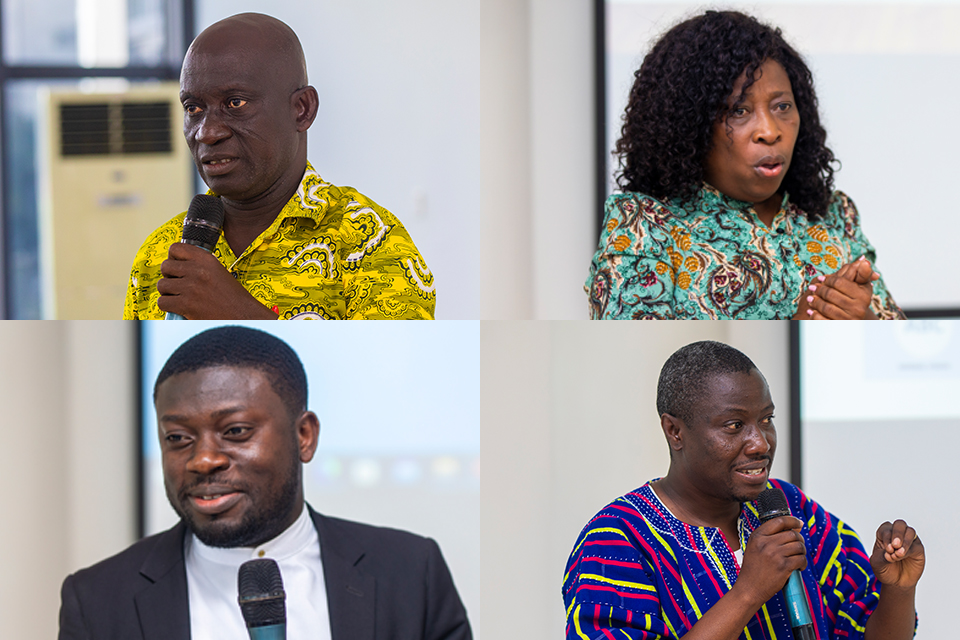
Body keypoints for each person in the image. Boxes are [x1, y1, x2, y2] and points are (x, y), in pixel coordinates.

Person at [59, 326, 471, 640]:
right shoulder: (97, 600)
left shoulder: (411, 571)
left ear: (304, 436)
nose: (203, 460)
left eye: (235, 431)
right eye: (178, 439)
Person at [562, 341, 923, 639]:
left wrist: (898, 590)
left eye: (766, 419)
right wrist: (750, 591)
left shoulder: (790, 508)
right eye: (735, 425)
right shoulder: (617, 539)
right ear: (675, 432)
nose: (760, 443)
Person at [587, 11, 903, 320]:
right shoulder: (645, 225)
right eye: (739, 110)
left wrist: (864, 320)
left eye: (782, 106)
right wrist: (800, 325)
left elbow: (889, 336)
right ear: (690, 125)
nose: (770, 130)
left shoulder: (834, 213)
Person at [123, 13, 435, 320]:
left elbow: (383, 370)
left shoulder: (371, 242)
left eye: (235, 103)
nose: (206, 131)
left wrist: (237, 312)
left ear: (302, 109)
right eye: (193, 108)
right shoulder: (159, 254)